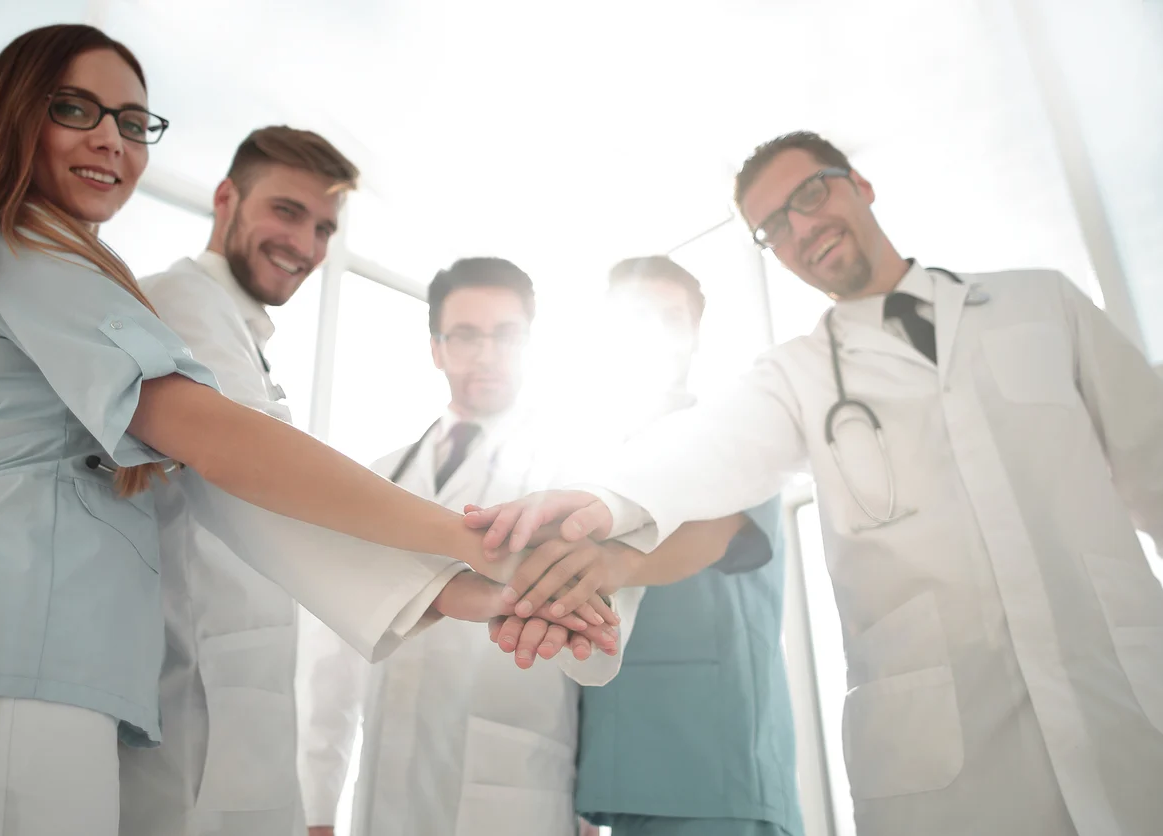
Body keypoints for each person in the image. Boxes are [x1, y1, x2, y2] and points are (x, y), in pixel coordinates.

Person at [0, 25, 611, 836]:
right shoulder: (42, 253)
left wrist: (455, 585)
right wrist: (465, 544)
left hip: (48, 670)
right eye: (75, 108)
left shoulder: (55, 273)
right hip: (26, 668)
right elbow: (220, 446)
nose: (111, 138)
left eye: (134, 123)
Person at [467, 131, 1163, 836]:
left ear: (857, 183)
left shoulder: (1042, 304)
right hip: (945, 762)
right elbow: (713, 449)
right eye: (774, 227)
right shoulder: (793, 375)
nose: (800, 228)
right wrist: (603, 504)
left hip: (1129, 702)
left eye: (810, 194)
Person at [298, 257, 641, 836]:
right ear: (436, 348)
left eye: (506, 335)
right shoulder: (380, 476)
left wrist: (594, 807)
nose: (486, 355)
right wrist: (317, 806)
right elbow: (332, 654)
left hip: (520, 788)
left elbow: (608, 644)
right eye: (465, 336)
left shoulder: (577, 473)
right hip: (386, 789)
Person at [117, 125, 359, 836]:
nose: (307, 246)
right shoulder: (181, 301)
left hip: (229, 699)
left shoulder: (238, 328)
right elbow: (262, 465)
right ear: (226, 198)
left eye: (324, 228)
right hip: (184, 700)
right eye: (287, 212)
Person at [568, 256, 802, 836]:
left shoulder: (733, 432)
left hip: (715, 762)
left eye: (670, 317)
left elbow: (713, 537)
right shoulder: (597, 452)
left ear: (695, 332)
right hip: (622, 772)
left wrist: (610, 564)